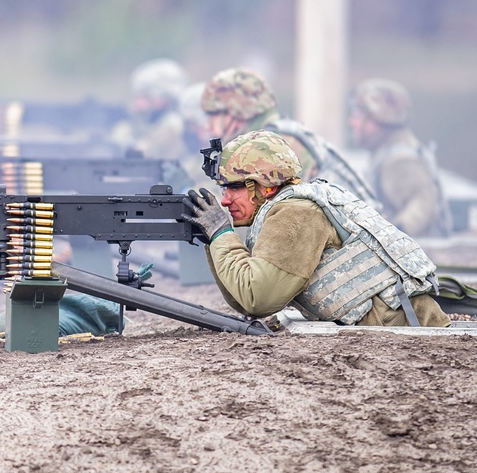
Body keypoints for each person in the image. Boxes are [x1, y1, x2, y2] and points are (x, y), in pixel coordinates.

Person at [181, 129, 450, 329]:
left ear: (266, 186)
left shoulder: (296, 213)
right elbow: (245, 301)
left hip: (406, 330)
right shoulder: (288, 207)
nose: (226, 199)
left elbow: (257, 298)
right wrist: (214, 239)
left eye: (235, 187)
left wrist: (221, 233)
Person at [200, 67, 382, 209]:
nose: (208, 125)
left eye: (213, 115)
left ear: (238, 112)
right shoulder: (269, 137)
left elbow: (257, 214)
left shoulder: (271, 145)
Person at [349, 78, 452, 238]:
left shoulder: (399, 159)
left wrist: (391, 238)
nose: (352, 122)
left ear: (377, 118)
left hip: (418, 257)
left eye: (358, 115)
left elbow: (424, 205)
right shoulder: (389, 152)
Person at [109, 58, 189, 160]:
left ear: (166, 98)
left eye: (145, 96)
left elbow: (145, 152)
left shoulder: (174, 127)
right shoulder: (137, 125)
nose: (137, 104)